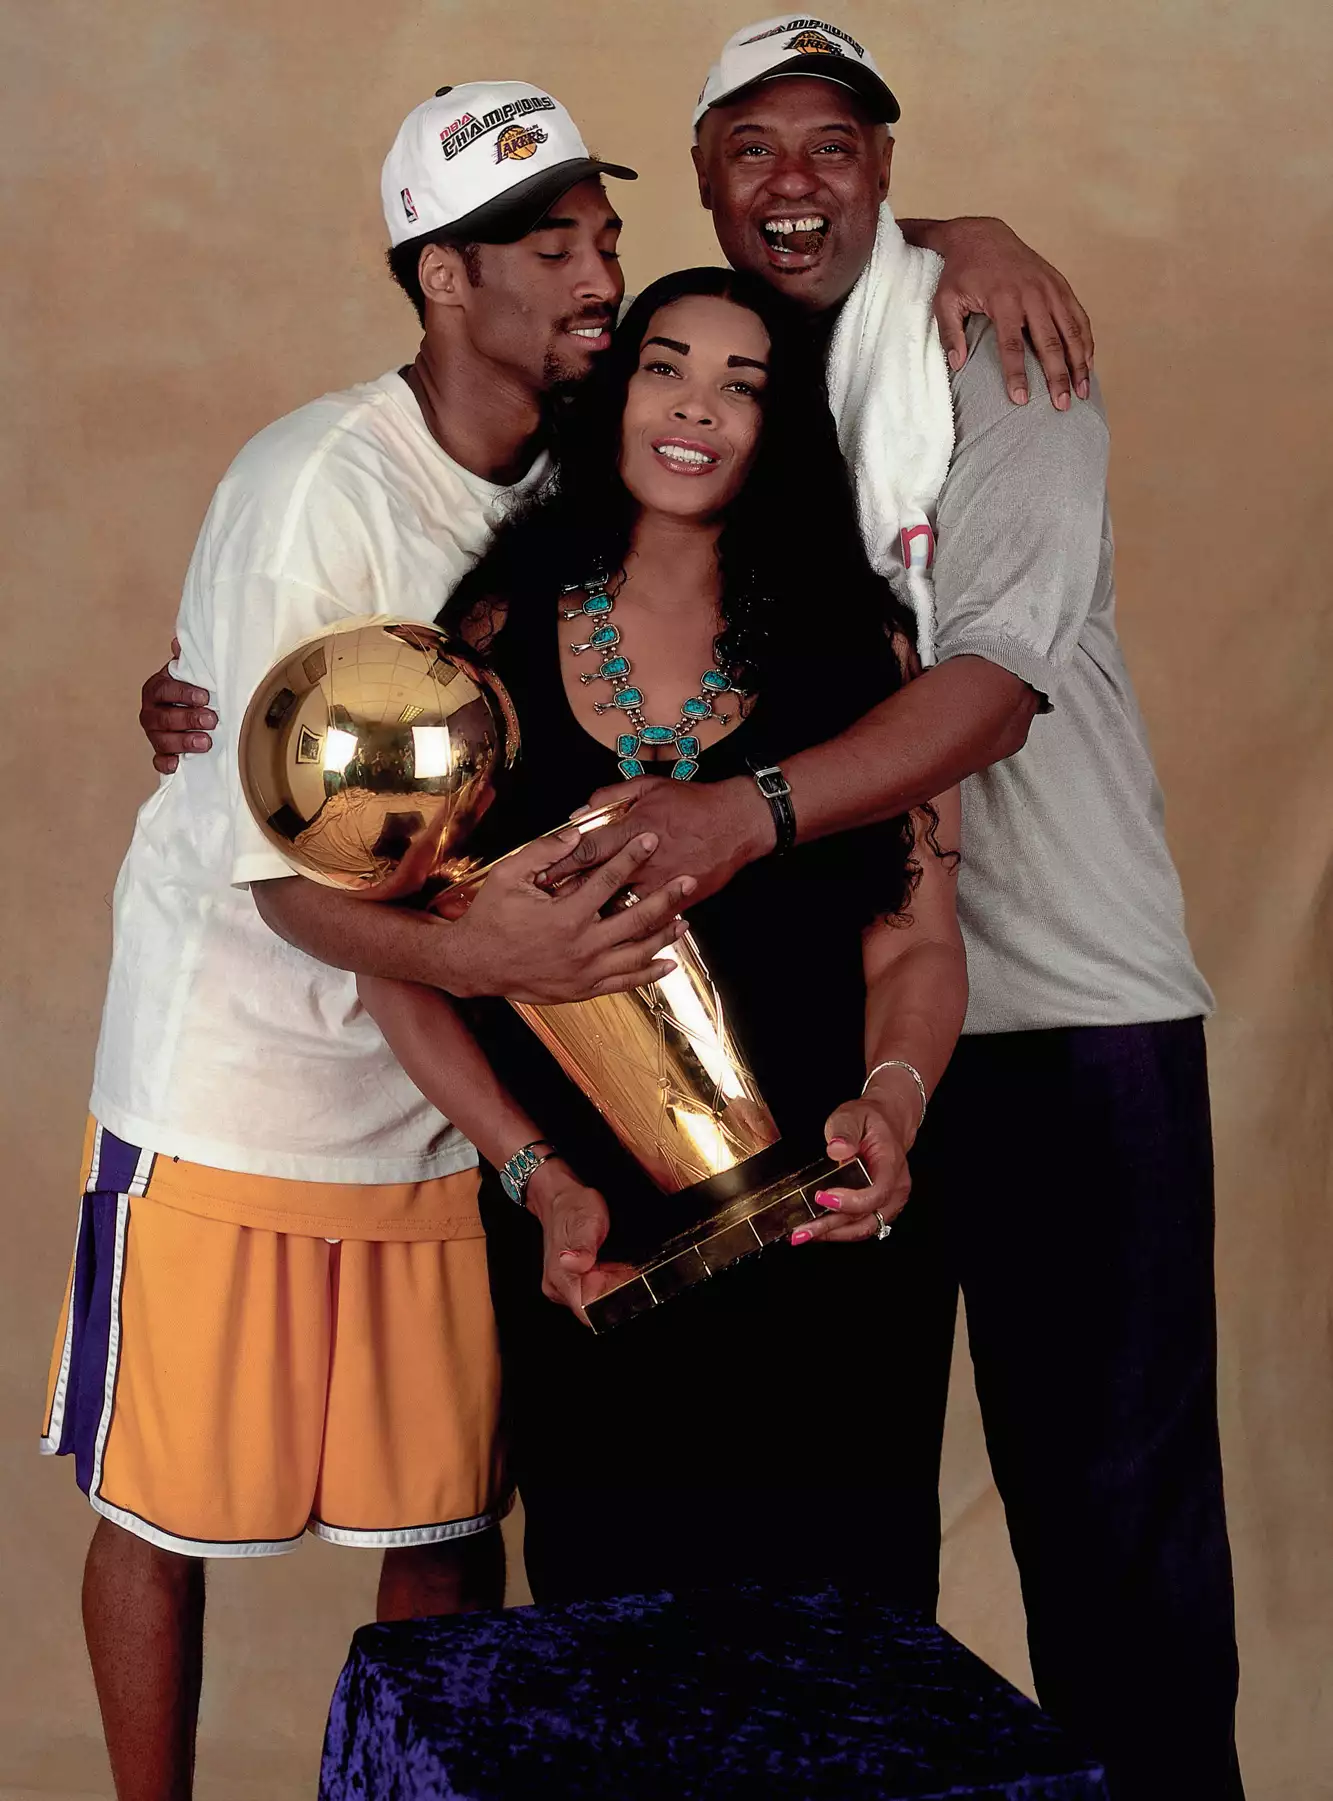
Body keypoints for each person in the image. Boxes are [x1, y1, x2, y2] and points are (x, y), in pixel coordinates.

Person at [519, 19, 1235, 1801]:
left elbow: (988, 684)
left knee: (1119, 1538)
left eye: (834, 145)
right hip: (844, 1038)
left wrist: (741, 815)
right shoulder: (709, 387)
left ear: (888, 171)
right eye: (751, 146)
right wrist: (224, 679)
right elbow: (482, 532)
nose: (792, 180)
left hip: (1071, 1017)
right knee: (853, 1563)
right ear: (695, 176)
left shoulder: (992, 348)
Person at [41, 84, 703, 1801]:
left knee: (443, 1516)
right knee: (158, 1512)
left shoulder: (580, 468)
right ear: (440, 280)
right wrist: (515, 967)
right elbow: (279, 876)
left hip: (432, 1086)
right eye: (550, 246)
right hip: (236, 1079)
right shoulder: (315, 486)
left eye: (606, 240)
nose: (598, 276)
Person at [356, 263, 968, 1606]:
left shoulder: (865, 656)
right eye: (666, 366)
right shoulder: (489, 638)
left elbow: (918, 944)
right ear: (614, 393)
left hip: (832, 1234)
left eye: (743, 385)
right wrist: (537, 1180)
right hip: (597, 1256)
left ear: (784, 426)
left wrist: (893, 1107)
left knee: (840, 1675)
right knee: (614, 1670)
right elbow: (393, 954)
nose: (697, 409)